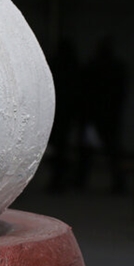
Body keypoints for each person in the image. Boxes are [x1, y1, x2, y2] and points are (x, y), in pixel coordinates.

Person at [76, 35, 128, 194]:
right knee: (109, 152)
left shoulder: (94, 67)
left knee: (89, 151)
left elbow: (85, 92)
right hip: (106, 116)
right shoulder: (115, 68)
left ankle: (81, 180)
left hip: (96, 116)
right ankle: (118, 182)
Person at [46, 37, 79, 193]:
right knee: (61, 149)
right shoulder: (73, 66)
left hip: (59, 113)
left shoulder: (57, 65)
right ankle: (60, 180)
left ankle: (58, 180)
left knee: (59, 149)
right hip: (65, 113)